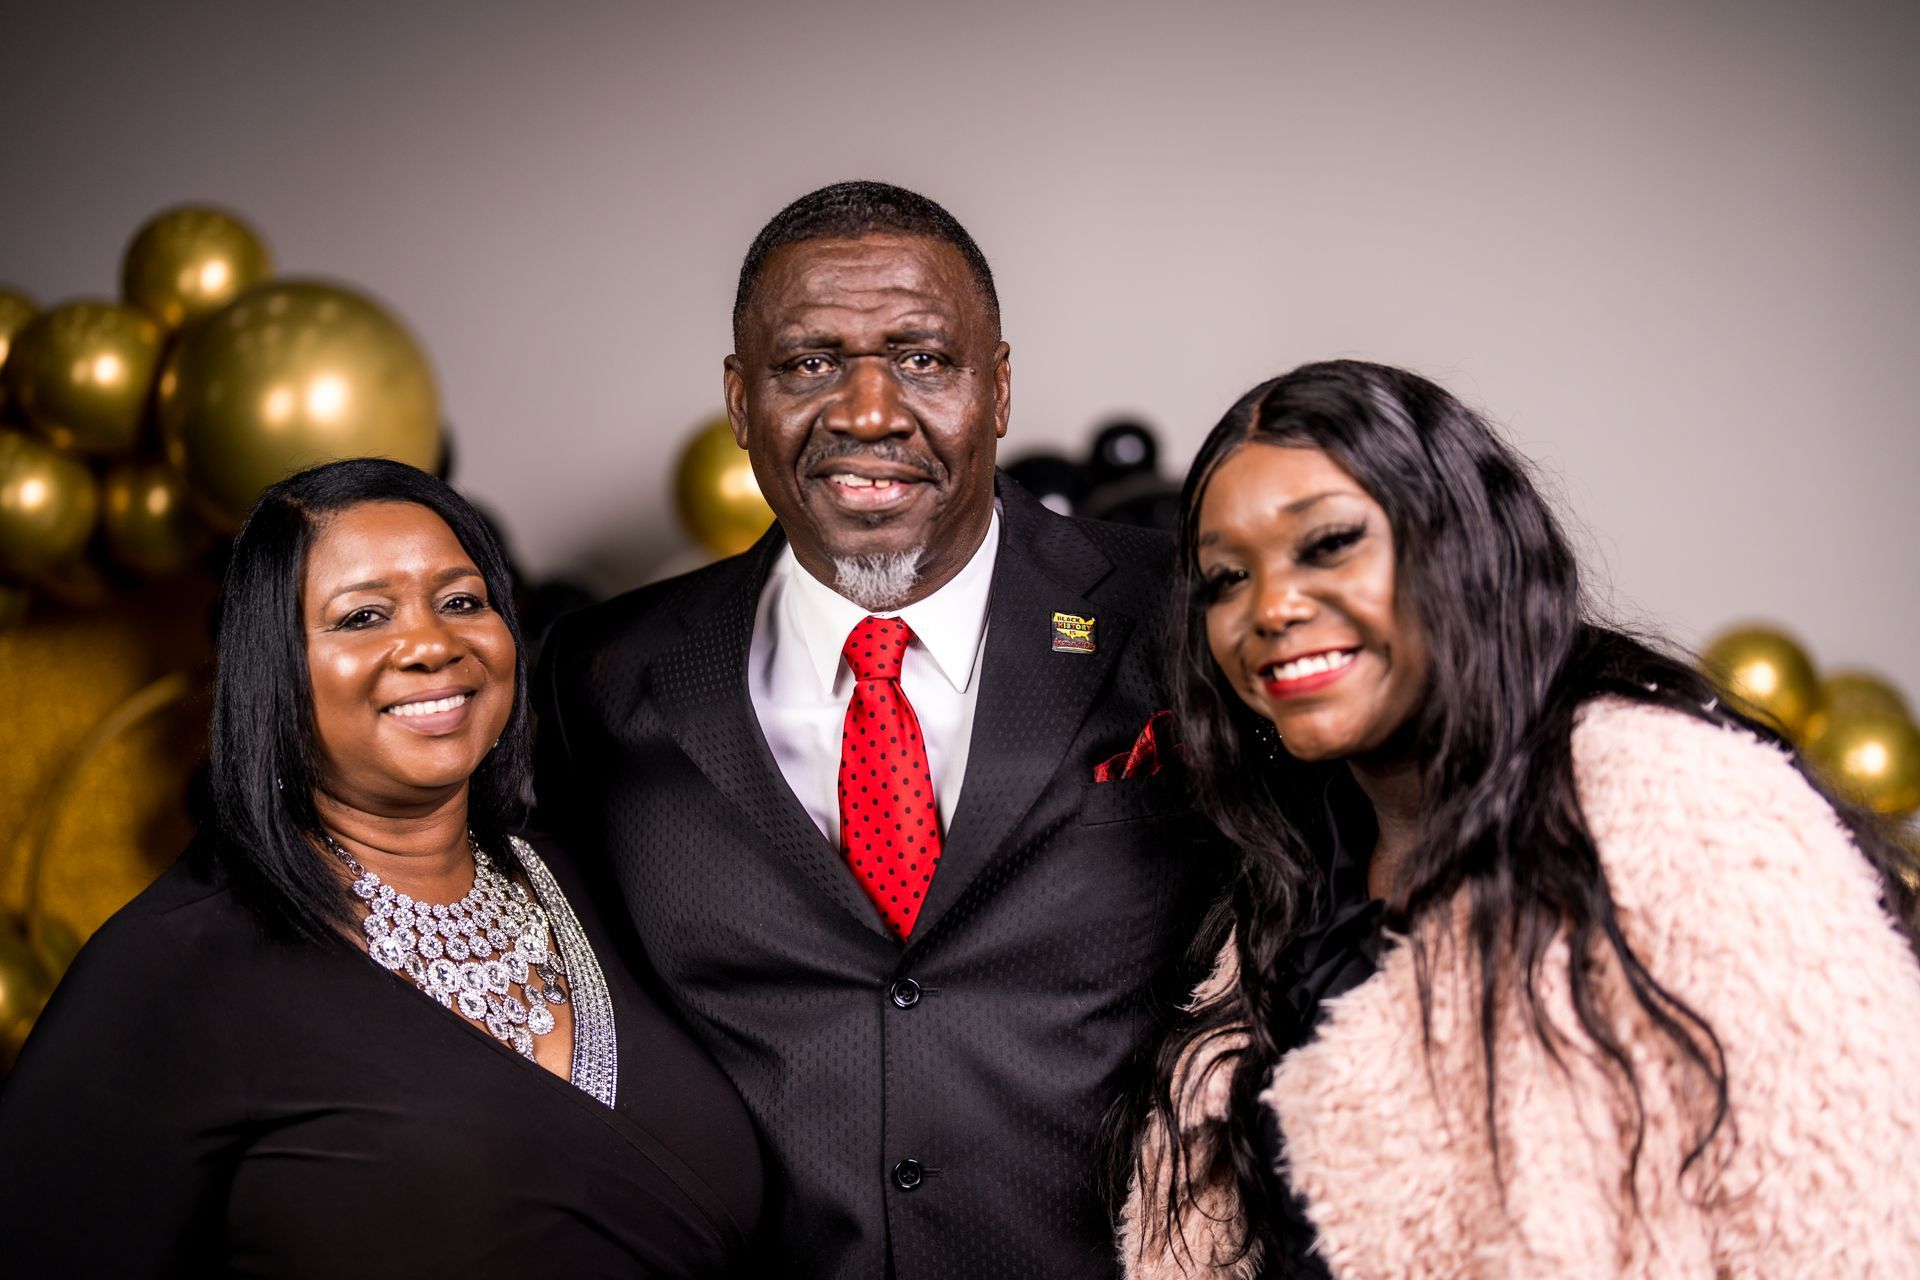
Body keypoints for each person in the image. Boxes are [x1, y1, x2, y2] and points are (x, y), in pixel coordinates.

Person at [533, 181, 1226, 1276]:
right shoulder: (600, 675)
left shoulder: (1181, 613)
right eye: (809, 362)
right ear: (739, 398)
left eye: (923, 358)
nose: (866, 410)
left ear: (996, 389)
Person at [1119, 359, 1920, 1278]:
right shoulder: (1287, 875)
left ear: (1459, 545)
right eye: (1226, 578)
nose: (1270, 607)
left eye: (1329, 541)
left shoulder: (1676, 804)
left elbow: (1848, 1223)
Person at [0, 458, 763, 1277]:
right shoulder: (170, 966)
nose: (432, 645)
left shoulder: (612, 882)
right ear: (274, 671)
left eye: (462, 602)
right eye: (363, 616)